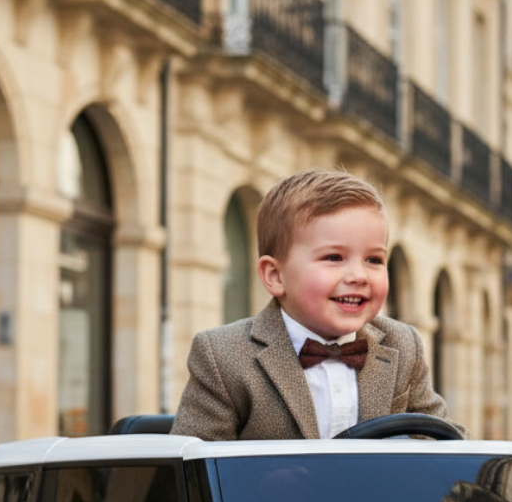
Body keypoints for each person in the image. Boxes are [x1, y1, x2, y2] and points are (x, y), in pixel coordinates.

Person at [171, 169, 463, 440]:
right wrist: (265, 483)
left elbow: (447, 441)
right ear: (275, 276)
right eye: (333, 258)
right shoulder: (222, 356)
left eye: (374, 260)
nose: (359, 276)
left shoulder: (403, 344)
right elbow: (190, 475)